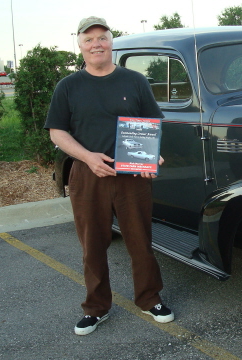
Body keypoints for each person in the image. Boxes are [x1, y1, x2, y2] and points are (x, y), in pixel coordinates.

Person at [45, 16, 173, 336]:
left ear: (111, 42)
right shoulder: (69, 86)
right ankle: (96, 308)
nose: (96, 44)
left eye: (102, 38)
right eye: (89, 40)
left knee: (140, 241)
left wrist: (153, 153)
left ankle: (149, 298)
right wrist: (87, 157)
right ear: (80, 45)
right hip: (88, 176)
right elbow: (57, 133)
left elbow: (152, 122)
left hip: (132, 175)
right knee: (93, 245)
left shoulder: (134, 81)